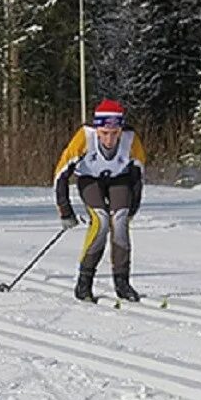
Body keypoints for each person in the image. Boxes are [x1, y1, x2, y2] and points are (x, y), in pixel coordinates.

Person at [53, 99, 147, 303]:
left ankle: (122, 282)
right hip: (89, 179)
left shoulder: (131, 139)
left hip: (118, 179)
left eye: (115, 133)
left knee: (120, 221)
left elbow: (138, 177)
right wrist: (65, 211)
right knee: (101, 221)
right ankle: (84, 282)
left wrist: (132, 208)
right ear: (97, 129)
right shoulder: (85, 137)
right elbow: (61, 175)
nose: (110, 139)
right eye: (104, 133)